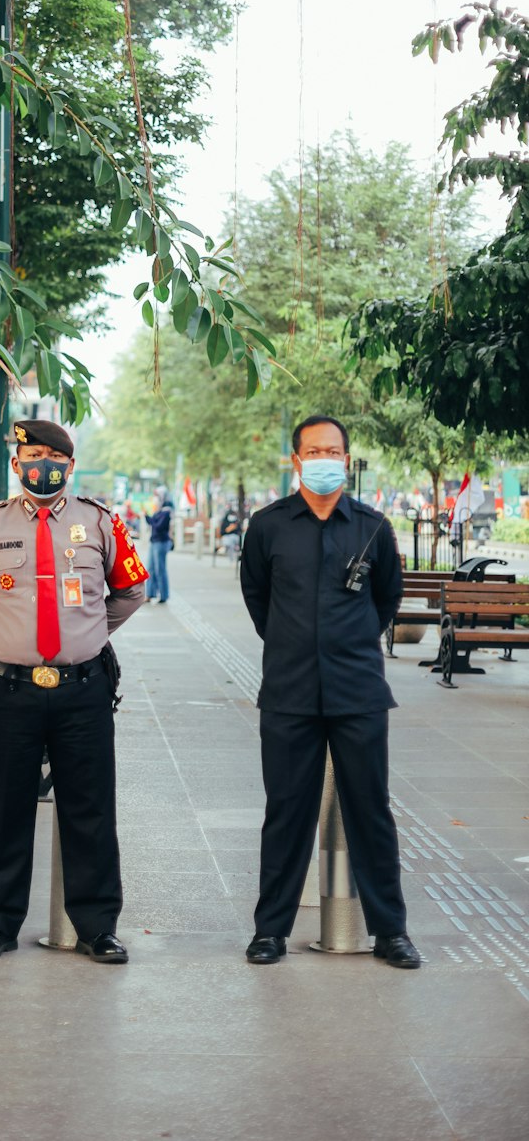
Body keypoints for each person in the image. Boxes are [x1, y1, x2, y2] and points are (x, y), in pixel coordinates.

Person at [0, 418, 148, 964]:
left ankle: (98, 927)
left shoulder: (101, 522)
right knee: (6, 809)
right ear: (15, 465)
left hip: (83, 690)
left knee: (90, 811)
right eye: (32, 455)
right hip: (7, 691)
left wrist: (87, 633)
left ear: (70, 465)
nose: (42, 464)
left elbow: (130, 590)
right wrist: (2, 636)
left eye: (53, 456)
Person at [239, 415, 420, 970]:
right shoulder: (268, 526)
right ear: (295, 460)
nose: (324, 458)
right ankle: (270, 930)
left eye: (334, 450)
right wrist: (296, 643)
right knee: (286, 812)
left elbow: (387, 599)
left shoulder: (372, 526)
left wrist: (349, 643)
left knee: (371, 811)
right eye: (313, 450)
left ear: (346, 459)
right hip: (289, 693)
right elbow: (258, 599)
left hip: (358, 693)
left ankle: (390, 932)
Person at [145, 486, 173, 603]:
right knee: (150, 568)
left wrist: (151, 518)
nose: (156, 498)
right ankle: (150, 594)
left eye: (158, 496)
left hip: (161, 542)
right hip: (154, 542)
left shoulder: (166, 511)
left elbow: (158, 526)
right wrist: (146, 515)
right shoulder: (159, 510)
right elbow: (153, 522)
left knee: (160, 569)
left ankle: (163, 595)